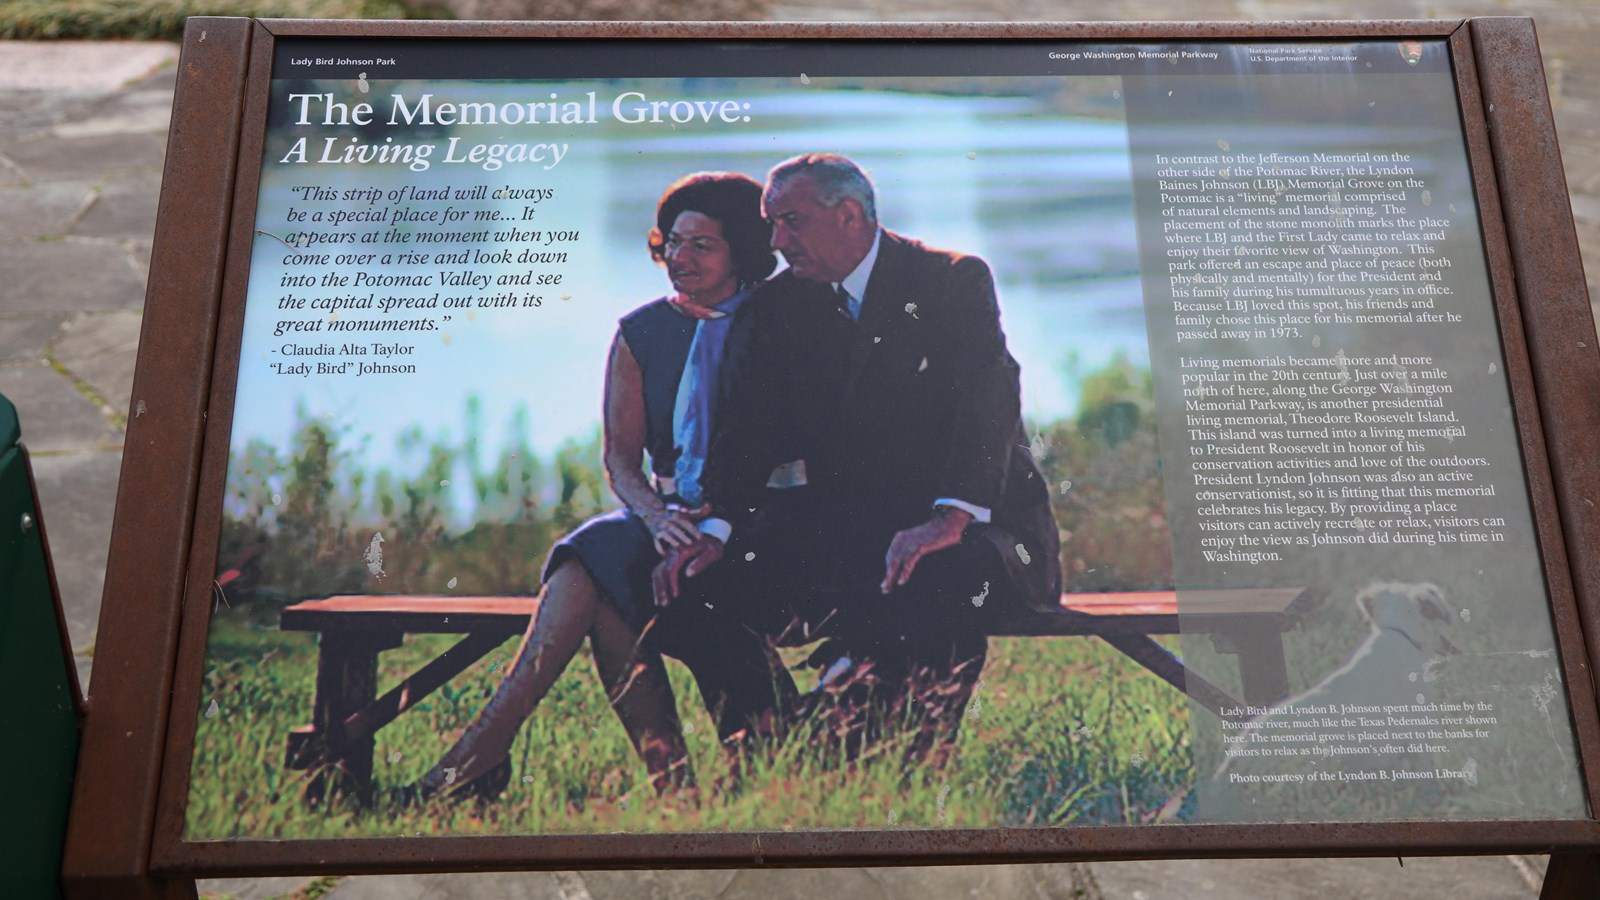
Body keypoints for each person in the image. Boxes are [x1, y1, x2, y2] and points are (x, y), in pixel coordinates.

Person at [654, 153, 1062, 764]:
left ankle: (863, 758)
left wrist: (946, 519)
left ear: (848, 215)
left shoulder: (951, 279)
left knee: (929, 583)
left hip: (980, 534)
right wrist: (714, 530)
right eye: (772, 224)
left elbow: (990, 404)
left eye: (790, 221)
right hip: (849, 539)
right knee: (693, 589)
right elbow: (748, 434)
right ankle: (773, 745)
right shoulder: (777, 304)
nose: (776, 241)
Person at [409, 172, 794, 802]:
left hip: (758, 521)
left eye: (703, 245)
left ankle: (479, 761)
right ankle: (661, 788)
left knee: (597, 575)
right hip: (670, 520)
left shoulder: (778, 323)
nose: (681, 258)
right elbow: (619, 458)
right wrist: (654, 516)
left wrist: (708, 520)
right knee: (597, 554)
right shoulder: (641, 331)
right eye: (673, 242)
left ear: (744, 250)